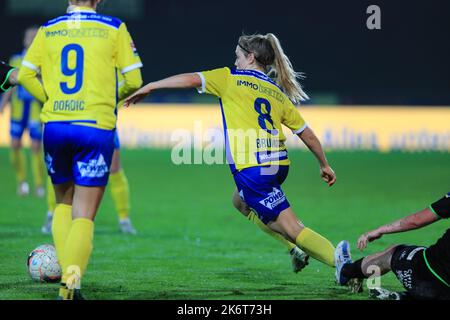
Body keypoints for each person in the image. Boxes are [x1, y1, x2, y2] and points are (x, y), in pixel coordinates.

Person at [125, 33, 338, 270]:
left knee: (292, 227)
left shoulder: (230, 77)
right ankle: (294, 249)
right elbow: (307, 134)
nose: (234, 61)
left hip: (254, 168)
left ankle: (344, 266)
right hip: (278, 164)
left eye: (237, 56)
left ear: (250, 57)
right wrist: (324, 164)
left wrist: (152, 86)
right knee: (240, 202)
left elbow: (190, 79)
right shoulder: (276, 92)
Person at [18, 0, 143, 299]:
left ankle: (68, 281)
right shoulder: (114, 27)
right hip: (94, 125)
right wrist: (107, 98)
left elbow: (24, 75)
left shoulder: (48, 28)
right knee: (84, 214)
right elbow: (134, 80)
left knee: (63, 203)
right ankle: (69, 285)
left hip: (56, 126)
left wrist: (49, 99)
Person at [334, 193, 450, 300]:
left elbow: (416, 220)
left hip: (427, 272)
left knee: (393, 252)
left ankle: (346, 272)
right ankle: (403, 297)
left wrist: (380, 230)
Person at [0, 27, 45, 197]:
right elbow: (10, 83)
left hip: (34, 109)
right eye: (29, 36)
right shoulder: (17, 59)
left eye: (34, 37)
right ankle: (22, 182)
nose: (30, 39)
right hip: (18, 110)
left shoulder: (40, 61)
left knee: (35, 147)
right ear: (24, 39)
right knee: (15, 145)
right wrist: (4, 103)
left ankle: (39, 184)